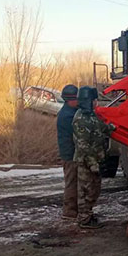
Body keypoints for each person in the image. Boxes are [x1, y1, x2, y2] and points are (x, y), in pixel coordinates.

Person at [72, 86, 115, 229]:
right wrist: (92, 163)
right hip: (86, 161)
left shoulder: (92, 116)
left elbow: (101, 128)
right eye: (94, 100)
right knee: (85, 189)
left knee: (95, 189)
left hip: (96, 159)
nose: (97, 102)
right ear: (87, 101)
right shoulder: (80, 119)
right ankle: (84, 219)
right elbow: (83, 145)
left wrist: (112, 128)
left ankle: (88, 214)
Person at [56, 84, 79, 220]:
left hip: (70, 153)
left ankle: (73, 210)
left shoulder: (69, 112)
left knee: (74, 182)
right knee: (71, 182)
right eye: (77, 99)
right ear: (70, 99)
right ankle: (69, 211)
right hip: (70, 155)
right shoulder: (67, 116)